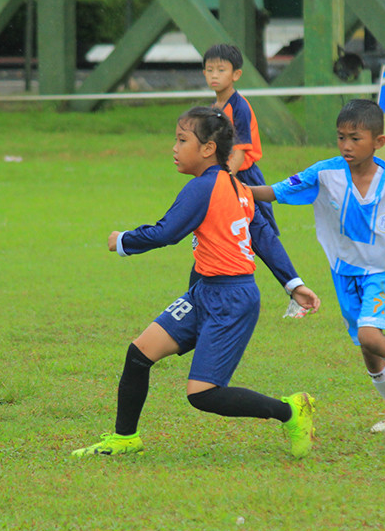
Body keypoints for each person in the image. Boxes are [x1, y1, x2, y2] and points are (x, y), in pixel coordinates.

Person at [72, 106, 321, 458]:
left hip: (230, 299)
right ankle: (125, 437)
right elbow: (261, 235)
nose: (174, 147)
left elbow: (167, 232)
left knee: (203, 394)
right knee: (139, 353)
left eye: (182, 140)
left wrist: (123, 240)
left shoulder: (203, 187)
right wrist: (293, 283)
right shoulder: (239, 187)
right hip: (205, 292)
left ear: (207, 149)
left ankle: (292, 411)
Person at [249, 99, 385, 433]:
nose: (346, 146)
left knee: (369, 334)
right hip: (344, 274)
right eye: (341, 137)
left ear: (378, 142)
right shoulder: (325, 173)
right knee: (367, 348)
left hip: (382, 273)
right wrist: (233, 190)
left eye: (356, 138)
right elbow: (277, 190)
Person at [188, 44, 281, 289]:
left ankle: (293, 287)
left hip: (244, 176)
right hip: (222, 175)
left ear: (236, 74)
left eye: (221, 69)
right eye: (209, 70)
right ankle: (201, 289)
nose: (214, 75)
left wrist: (223, 180)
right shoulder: (212, 110)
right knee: (215, 231)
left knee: (264, 237)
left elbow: (240, 151)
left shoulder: (239, 107)